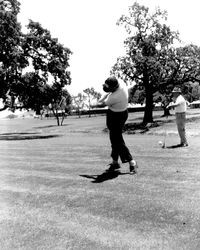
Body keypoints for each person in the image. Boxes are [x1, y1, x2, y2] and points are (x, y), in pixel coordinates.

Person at [91, 76, 138, 174]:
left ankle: (132, 162)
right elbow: (106, 93)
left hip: (117, 116)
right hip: (118, 113)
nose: (106, 88)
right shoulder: (119, 83)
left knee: (117, 139)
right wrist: (100, 99)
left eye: (108, 87)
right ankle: (115, 162)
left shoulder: (115, 96)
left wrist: (93, 104)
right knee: (113, 138)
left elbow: (102, 104)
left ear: (114, 88)